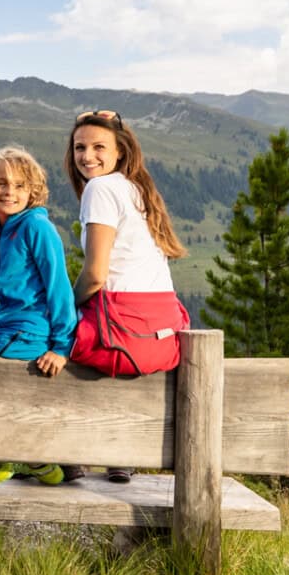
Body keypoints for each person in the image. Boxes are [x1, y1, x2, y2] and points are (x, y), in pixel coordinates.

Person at [63, 109, 189, 484]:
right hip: (161, 332)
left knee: (48, 339)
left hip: (122, 327)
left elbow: (97, 275)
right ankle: (120, 454)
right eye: (79, 148)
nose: (87, 156)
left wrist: (66, 307)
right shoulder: (138, 189)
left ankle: (62, 454)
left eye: (99, 147)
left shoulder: (100, 190)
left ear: (121, 151)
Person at [0, 146, 78, 491]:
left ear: (32, 191)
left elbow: (59, 289)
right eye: (1, 183)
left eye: (20, 185)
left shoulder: (38, 228)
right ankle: (37, 464)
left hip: (36, 326)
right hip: (4, 325)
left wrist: (62, 345)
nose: (9, 192)